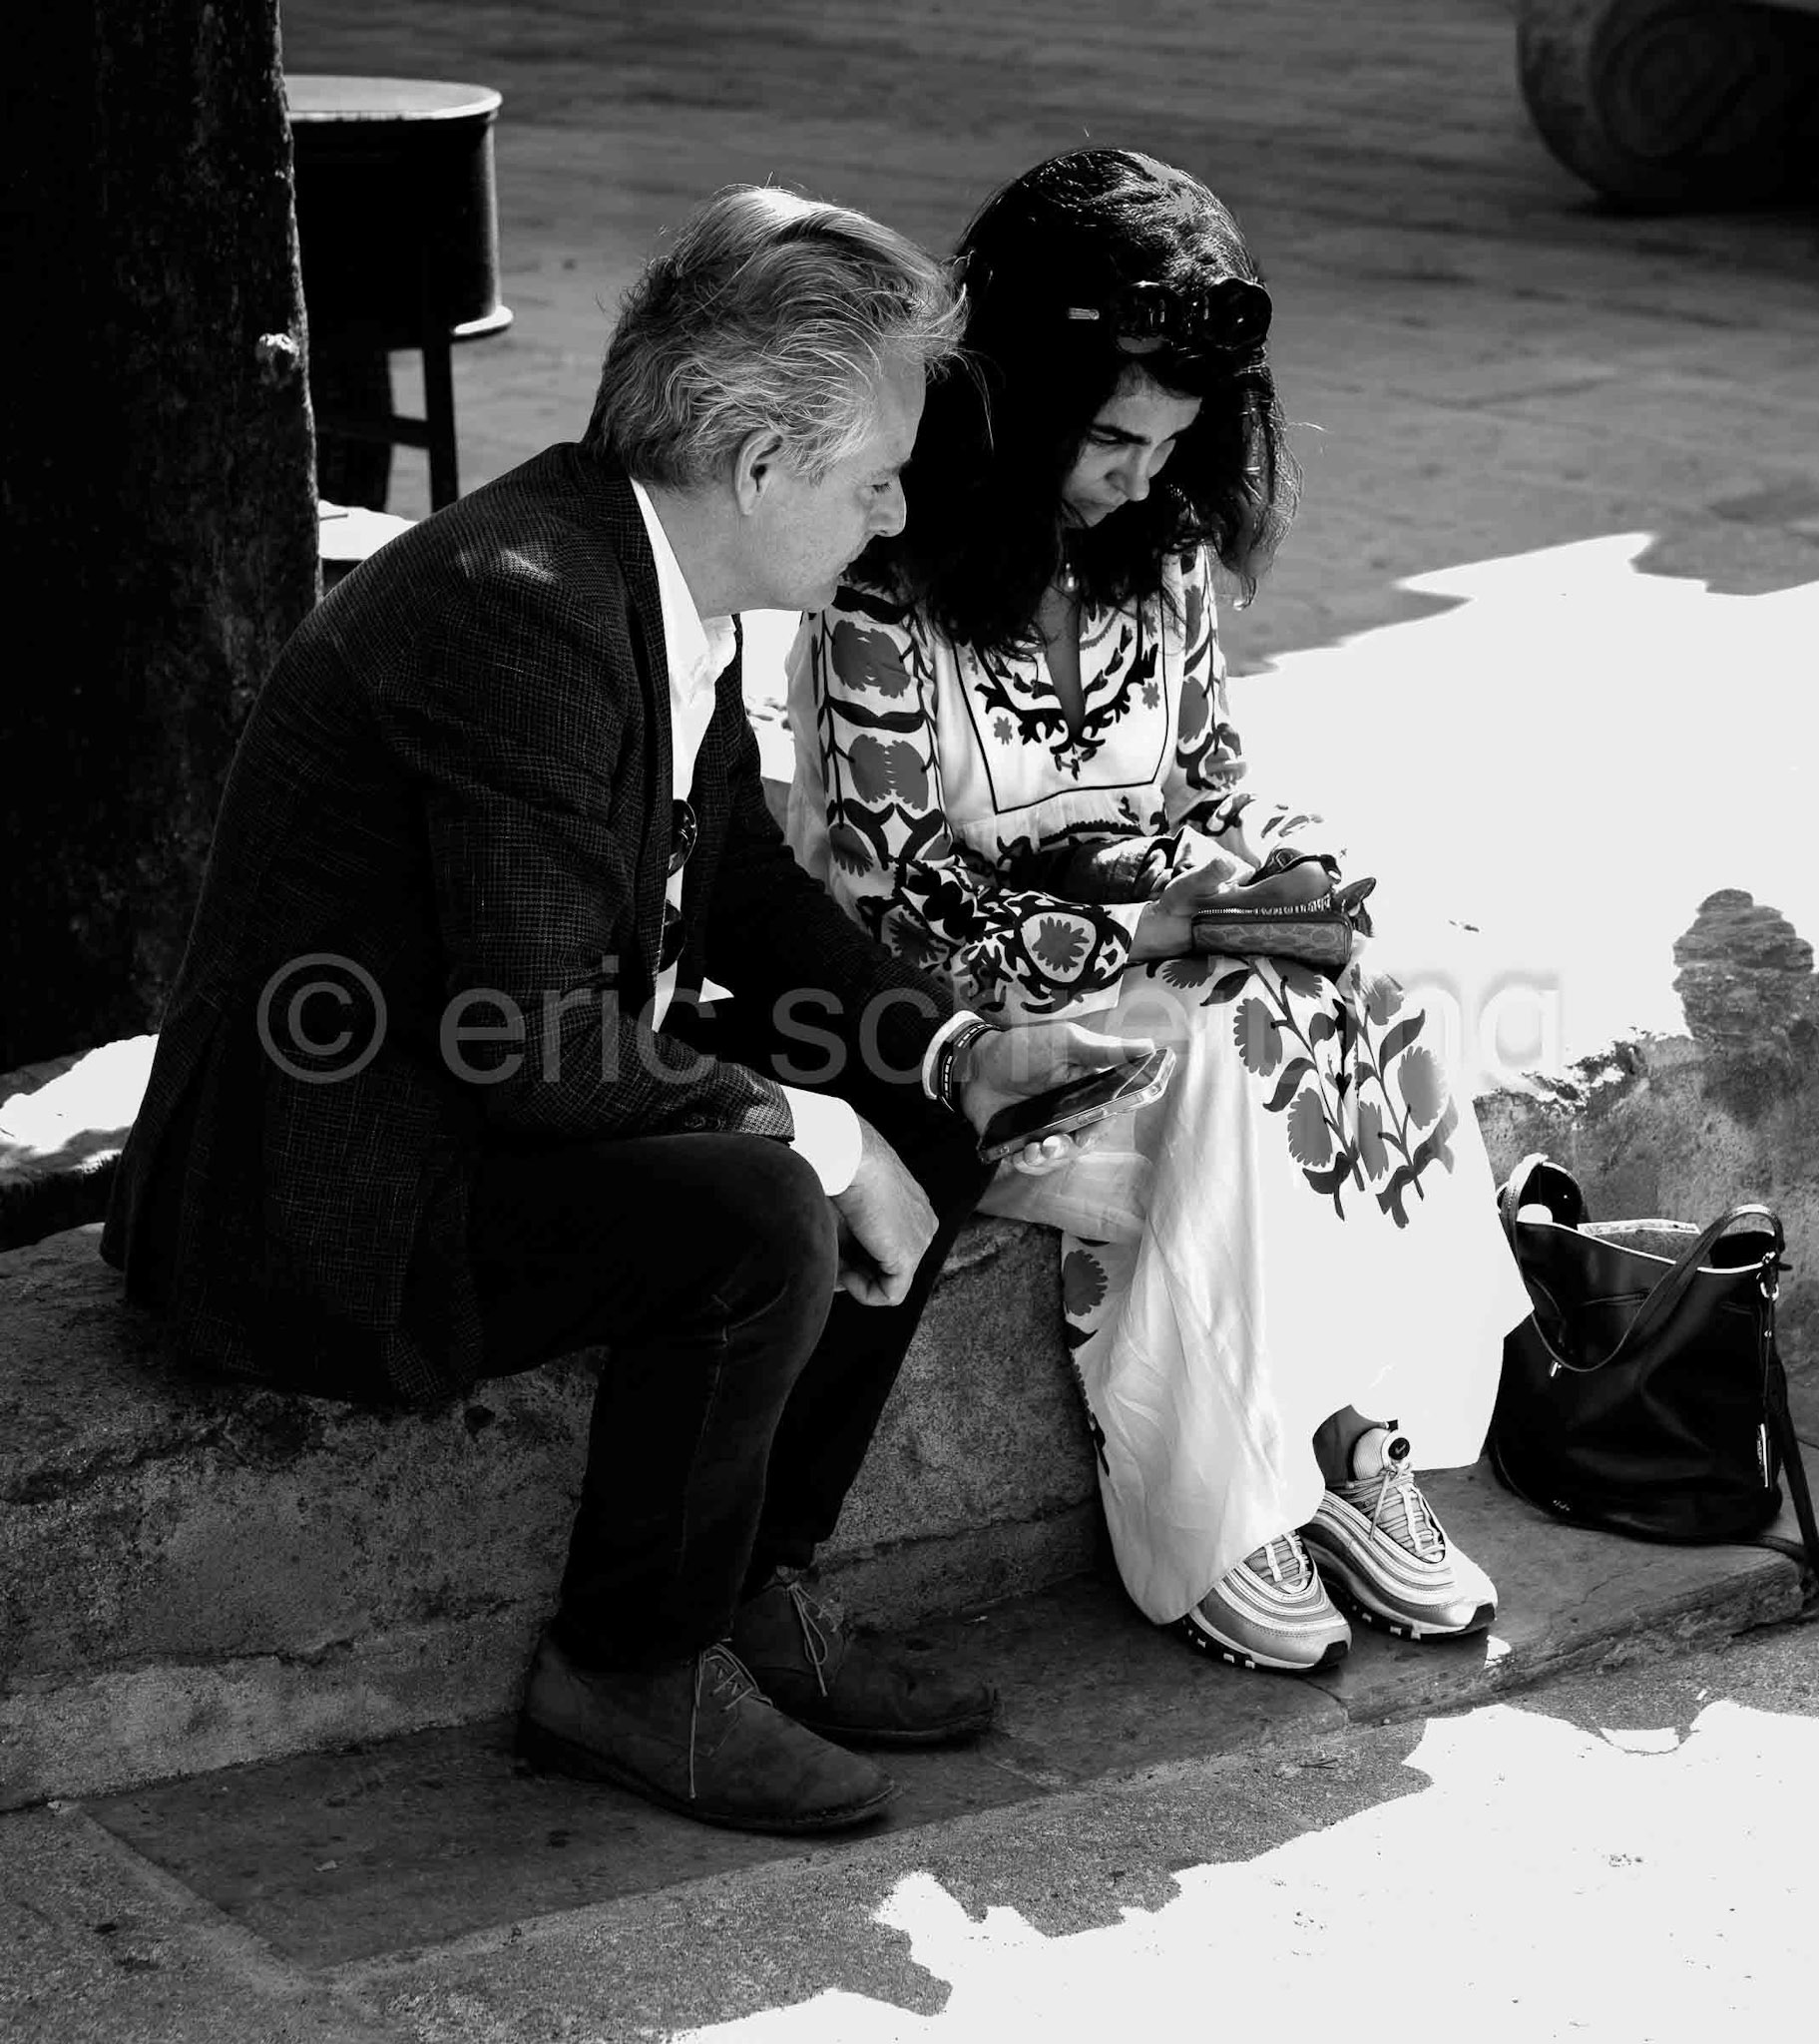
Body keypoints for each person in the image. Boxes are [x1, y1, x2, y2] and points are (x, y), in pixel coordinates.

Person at [101, 185, 1147, 1836]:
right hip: (335, 1199)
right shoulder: (517, 603)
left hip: (474, 1097)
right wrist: (818, 1138)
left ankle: (751, 1586)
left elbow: (741, 887)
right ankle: (628, 1672)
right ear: (761, 467)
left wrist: (953, 1050)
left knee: (920, 1109)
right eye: (874, 476)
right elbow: (539, 1051)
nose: (894, 510)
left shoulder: (654, 575)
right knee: (764, 1205)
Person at [788, 150, 1533, 1677]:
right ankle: (1221, 1508)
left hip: (1167, 957)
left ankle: (1350, 1445)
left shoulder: (1163, 553)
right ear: (1009, 400)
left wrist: (1282, 874)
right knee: (1236, 1055)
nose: (1140, 478)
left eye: (1173, 443)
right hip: (957, 1020)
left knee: (1380, 998)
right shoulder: (875, 580)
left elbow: (1207, 793)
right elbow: (888, 894)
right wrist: (1154, 931)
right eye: (1111, 437)